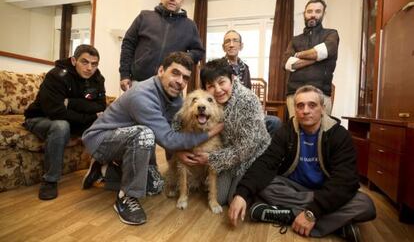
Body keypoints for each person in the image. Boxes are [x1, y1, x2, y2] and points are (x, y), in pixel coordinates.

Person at [82, 52, 222, 225]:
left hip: (125, 139)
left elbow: (172, 130)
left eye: (185, 78)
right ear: (161, 70)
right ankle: (126, 197)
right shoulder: (142, 95)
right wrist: (210, 133)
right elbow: (168, 139)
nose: (180, 81)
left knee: (156, 186)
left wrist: (177, 156)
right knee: (145, 134)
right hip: (100, 139)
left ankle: (108, 169)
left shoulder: (175, 97)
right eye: (175, 73)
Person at [228, 85, 376, 241]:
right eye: (300, 105)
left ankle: (289, 215)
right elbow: (266, 162)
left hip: (326, 189)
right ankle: (338, 225)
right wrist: (242, 194)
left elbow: (345, 180)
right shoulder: (286, 131)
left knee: (365, 205)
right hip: (293, 188)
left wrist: (312, 212)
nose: (306, 110)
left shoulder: (339, 135)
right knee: (264, 186)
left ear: (323, 108)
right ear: (295, 109)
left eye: (312, 105)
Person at [177, 58, 271, 206]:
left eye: (222, 83)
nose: (218, 90)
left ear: (232, 79)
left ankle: (266, 184)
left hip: (250, 157)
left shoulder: (247, 101)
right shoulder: (211, 101)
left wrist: (211, 158)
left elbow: (245, 150)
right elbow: (180, 118)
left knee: (233, 197)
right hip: (227, 157)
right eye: (211, 86)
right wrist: (178, 149)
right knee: (221, 199)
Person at [24, 44, 106, 200]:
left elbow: (101, 105)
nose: (89, 68)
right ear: (74, 61)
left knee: (107, 123)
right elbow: (56, 112)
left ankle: (102, 170)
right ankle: (50, 181)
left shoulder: (97, 78)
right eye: (85, 62)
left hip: (70, 118)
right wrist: (89, 116)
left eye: (94, 64)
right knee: (61, 126)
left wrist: (72, 102)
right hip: (41, 118)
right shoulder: (56, 76)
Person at [119, 0, 204, 91]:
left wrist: (181, 57)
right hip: (139, 83)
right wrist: (124, 74)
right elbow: (128, 45)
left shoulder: (190, 25)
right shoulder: (144, 16)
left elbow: (199, 52)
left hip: (171, 87)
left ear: (181, 1)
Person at [283, 0, 339, 117]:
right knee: (295, 132)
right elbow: (288, 64)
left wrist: (298, 55)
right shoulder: (295, 40)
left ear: (323, 14)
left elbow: (324, 51)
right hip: (294, 94)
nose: (313, 15)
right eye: (309, 11)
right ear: (305, 14)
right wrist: (318, 57)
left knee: (321, 134)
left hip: (321, 94)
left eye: (317, 11)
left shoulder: (331, 34)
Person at [222, 29, 282, 136]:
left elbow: (249, 94)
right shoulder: (218, 67)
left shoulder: (245, 68)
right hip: (227, 114)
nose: (231, 45)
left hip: (246, 113)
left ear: (241, 46)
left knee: (275, 122)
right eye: (227, 41)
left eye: (235, 41)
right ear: (223, 47)